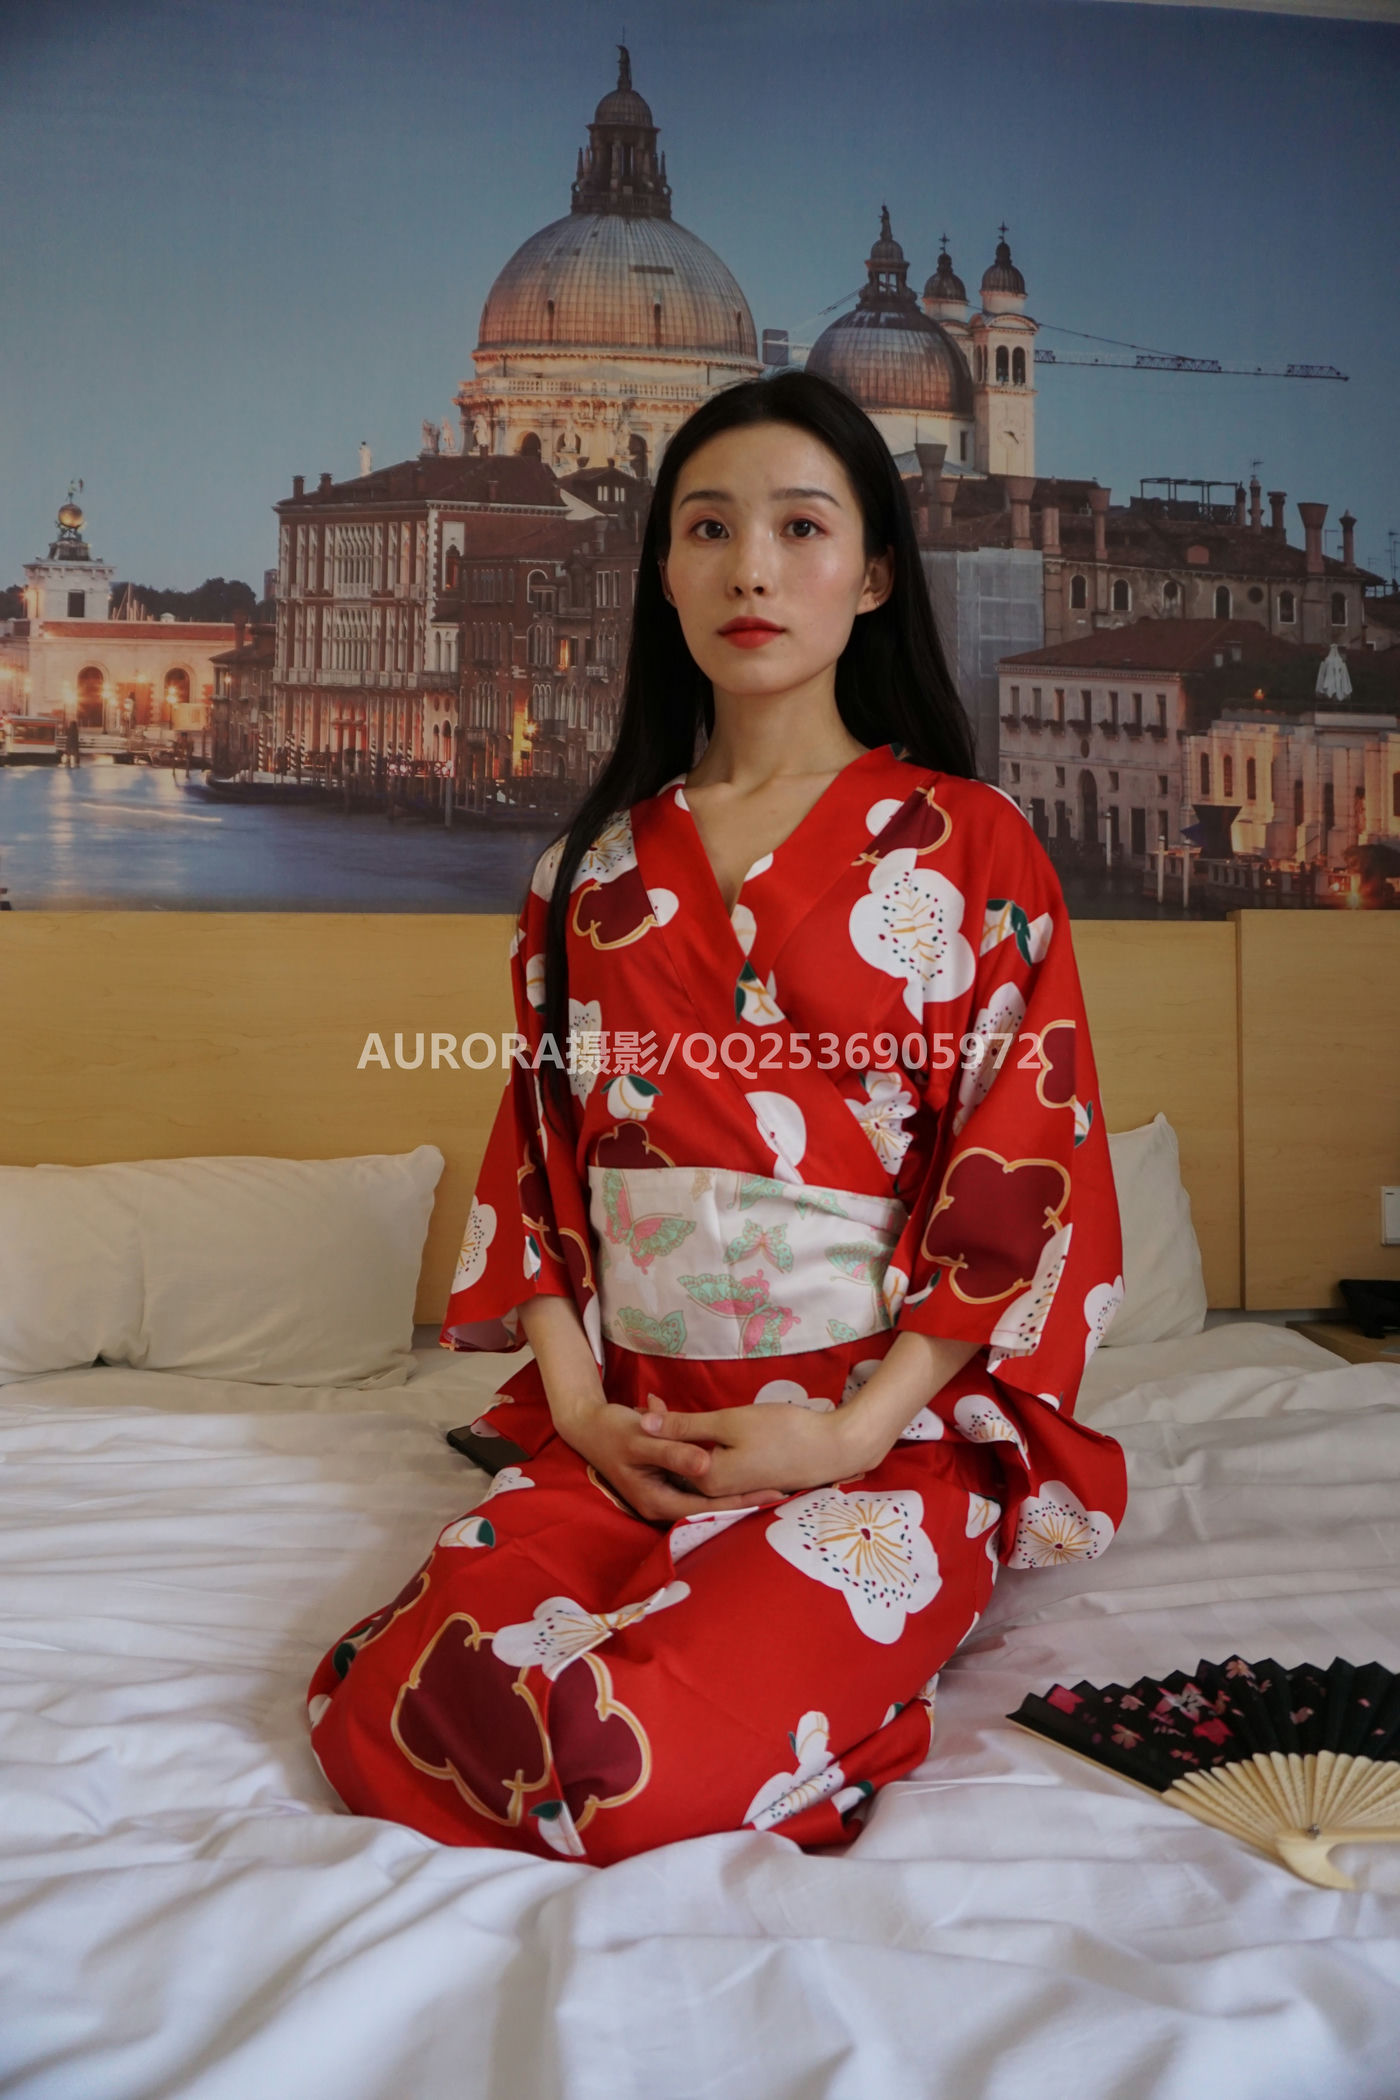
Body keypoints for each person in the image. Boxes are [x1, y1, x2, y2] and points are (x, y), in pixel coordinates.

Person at [306, 370, 1127, 1863]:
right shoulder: (585, 874)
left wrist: (850, 1432)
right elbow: (539, 1160)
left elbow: (1022, 1169)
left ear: (873, 575)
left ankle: (830, 1706)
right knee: (387, 1710)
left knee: (628, 1768)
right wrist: (579, 1416)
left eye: (801, 527)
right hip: (629, 1433)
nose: (752, 568)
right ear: (665, 571)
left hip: (871, 1443)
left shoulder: (972, 842)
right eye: (708, 528)